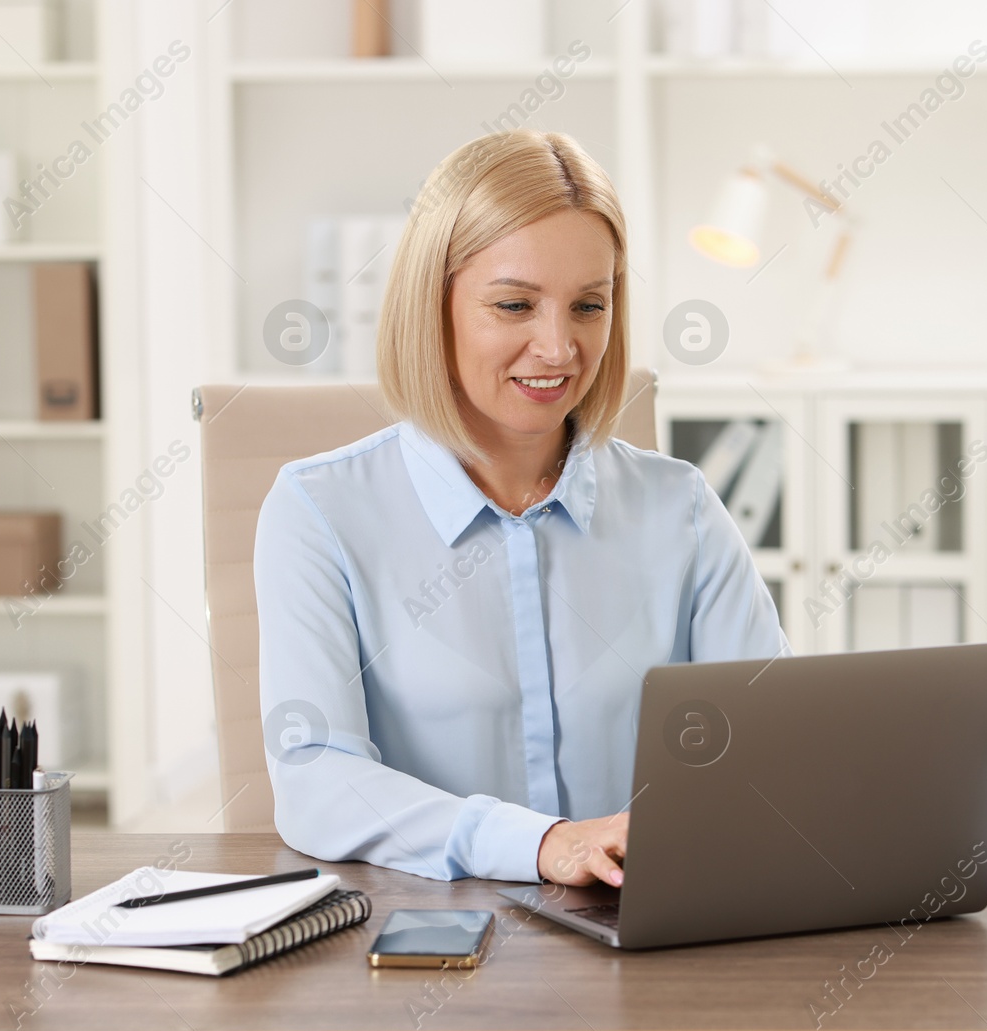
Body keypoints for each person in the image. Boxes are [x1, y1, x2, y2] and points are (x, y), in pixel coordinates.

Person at [253, 129, 789, 888]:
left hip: (640, 938)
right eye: (514, 304)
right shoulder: (318, 513)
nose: (559, 348)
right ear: (430, 306)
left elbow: (778, 744)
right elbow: (315, 781)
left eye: (588, 306)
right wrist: (541, 843)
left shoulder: (681, 509)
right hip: (427, 943)